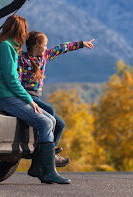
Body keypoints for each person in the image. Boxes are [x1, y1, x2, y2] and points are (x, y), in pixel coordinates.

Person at [0, 15, 70, 184]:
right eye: (24, 30)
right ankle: (48, 171)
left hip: (10, 95)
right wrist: (29, 100)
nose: (26, 34)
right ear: (19, 30)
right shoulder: (6, 48)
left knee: (52, 121)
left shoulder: (9, 47)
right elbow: (11, 80)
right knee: (46, 123)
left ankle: (39, 167)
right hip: (5, 97)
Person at [18, 31, 95, 167]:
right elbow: (16, 82)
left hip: (37, 97)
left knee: (61, 124)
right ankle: (47, 155)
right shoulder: (22, 60)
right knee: (51, 111)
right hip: (27, 97)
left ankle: (50, 151)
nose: (47, 48)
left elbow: (61, 48)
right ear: (36, 45)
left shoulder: (44, 57)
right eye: (45, 45)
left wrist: (81, 44)